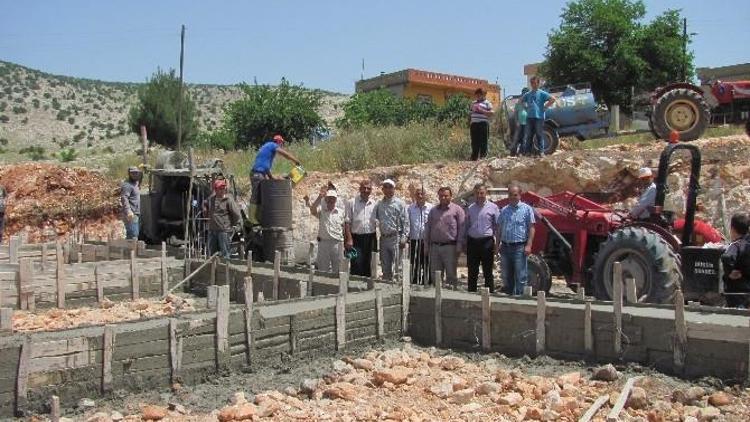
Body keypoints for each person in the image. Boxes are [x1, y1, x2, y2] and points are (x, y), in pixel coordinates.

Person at [249, 134, 302, 223]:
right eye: (281, 143)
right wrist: (296, 161)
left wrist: (271, 177)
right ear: (278, 142)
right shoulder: (273, 145)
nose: (281, 146)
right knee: (256, 196)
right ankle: (252, 219)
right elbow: (286, 155)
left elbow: (264, 165)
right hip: (257, 174)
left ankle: (257, 218)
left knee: (260, 196)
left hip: (258, 173)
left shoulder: (266, 147)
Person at [496, 185, 536, 295]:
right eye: (510, 195)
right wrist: (497, 245)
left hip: (519, 247)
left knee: (521, 275)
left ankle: (519, 298)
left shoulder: (527, 209)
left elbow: (532, 228)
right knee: (506, 274)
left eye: (515, 195)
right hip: (505, 247)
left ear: (520, 195)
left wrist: (529, 245)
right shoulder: (504, 210)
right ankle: (509, 296)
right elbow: (499, 229)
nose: (513, 197)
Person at [424, 187, 465, 289]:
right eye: (441, 196)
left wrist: (460, 245)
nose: (443, 198)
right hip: (435, 247)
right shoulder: (433, 211)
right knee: (435, 275)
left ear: (451, 196)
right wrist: (426, 245)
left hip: (450, 247)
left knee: (451, 274)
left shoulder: (457, 210)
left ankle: (451, 298)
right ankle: (437, 297)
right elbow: (428, 228)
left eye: (446, 196)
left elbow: (462, 228)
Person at [372, 179, 409, 281]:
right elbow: (374, 219)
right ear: (382, 189)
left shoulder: (400, 203)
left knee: (398, 267)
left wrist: (404, 237)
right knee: (385, 267)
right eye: (386, 187)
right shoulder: (379, 204)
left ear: (394, 189)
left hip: (396, 238)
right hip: (384, 239)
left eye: (390, 187)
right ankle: (386, 289)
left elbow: (405, 221)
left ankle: (399, 290)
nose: (388, 190)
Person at [465, 183, 500, 292]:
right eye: (477, 193)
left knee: (487, 270)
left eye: (482, 193)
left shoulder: (493, 207)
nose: (480, 195)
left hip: (487, 242)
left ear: (486, 193)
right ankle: (471, 293)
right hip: (472, 242)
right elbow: (466, 225)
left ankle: (490, 294)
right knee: (472, 270)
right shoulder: (470, 208)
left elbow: (498, 227)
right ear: (474, 194)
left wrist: (497, 244)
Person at [306, 186, 345, 273]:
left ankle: (337, 286)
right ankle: (323, 286)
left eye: (333, 198)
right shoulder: (322, 211)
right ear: (326, 199)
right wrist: (319, 197)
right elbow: (312, 210)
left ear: (336, 200)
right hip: (324, 243)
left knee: (338, 269)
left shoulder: (341, 212)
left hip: (337, 243)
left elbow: (344, 227)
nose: (331, 200)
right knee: (323, 269)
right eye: (329, 198)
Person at [344, 180, 378, 277]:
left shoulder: (374, 204)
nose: (366, 190)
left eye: (368, 188)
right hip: (356, 238)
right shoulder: (351, 202)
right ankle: (354, 287)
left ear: (371, 190)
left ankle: (365, 289)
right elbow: (347, 222)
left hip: (370, 237)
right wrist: (349, 239)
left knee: (368, 264)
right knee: (356, 263)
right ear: (360, 189)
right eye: (364, 188)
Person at [204, 179, 241, 259]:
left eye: (223, 188)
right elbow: (205, 203)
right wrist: (205, 210)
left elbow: (236, 214)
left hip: (223, 231)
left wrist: (232, 224)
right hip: (212, 230)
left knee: (225, 253)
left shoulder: (228, 200)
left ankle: (225, 270)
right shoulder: (211, 199)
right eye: (220, 188)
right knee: (212, 253)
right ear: (216, 190)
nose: (222, 190)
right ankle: (213, 269)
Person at [521, 76, 556, 156]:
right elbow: (521, 100)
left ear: (538, 83)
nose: (533, 84)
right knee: (529, 135)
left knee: (539, 134)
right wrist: (525, 107)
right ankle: (528, 152)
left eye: (534, 83)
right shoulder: (528, 94)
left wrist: (545, 107)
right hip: (529, 117)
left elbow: (553, 99)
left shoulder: (542, 93)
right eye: (531, 83)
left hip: (539, 117)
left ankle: (541, 152)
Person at [721, 213, 750, 308]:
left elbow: (727, 257)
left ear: (732, 229)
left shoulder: (736, 245)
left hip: (737, 292)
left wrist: (729, 272)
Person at [407, 187, 433, 285]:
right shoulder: (410, 208)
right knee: (414, 265)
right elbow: (407, 223)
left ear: (426, 195)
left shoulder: (431, 208)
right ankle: (414, 284)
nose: (420, 196)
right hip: (414, 240)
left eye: (422, 194)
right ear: (415, 195)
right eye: (418, 194)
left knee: (427, 264)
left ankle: (426, 284)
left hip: (426, 241)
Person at [469, 88, 494, 161]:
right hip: (474, 124)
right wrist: (469, 122)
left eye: (479, 95)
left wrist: (481, 110)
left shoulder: (487, 103)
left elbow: (492, 113)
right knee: (474, 141)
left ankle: (483, 157)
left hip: (483, 124)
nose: (478, 96)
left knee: (483, 141)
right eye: (477, 95)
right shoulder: (473, 103)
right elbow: (470, 113)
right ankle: (474, 157)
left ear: (484, 95)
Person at [120, 166, 141, 240]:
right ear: (129, 174)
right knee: (133, 235)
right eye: (133, 173)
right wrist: (128, 211)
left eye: (136, 173)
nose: (135, 174)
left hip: (136, 213)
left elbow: (140, 177)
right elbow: (124, 198)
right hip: (131, 214)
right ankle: (130, 251)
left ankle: (128, 250)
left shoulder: (135, 183)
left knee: (132, 235)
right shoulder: (127, 185)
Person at [512, 88, 529, 156]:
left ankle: (522, 152)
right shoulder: (518, 103)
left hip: (527, 123)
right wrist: (516, 122)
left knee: (524, 138)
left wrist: (526, 106)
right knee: (517, 138)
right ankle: (514, 152)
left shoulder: (529, 103)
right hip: (519, 123)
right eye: (523, 94)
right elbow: (515, 113)